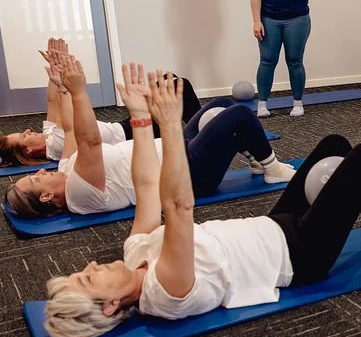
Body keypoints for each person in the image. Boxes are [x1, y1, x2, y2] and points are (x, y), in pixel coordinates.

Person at [42, 70, 361, 337]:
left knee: (333, 144)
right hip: (300, 256)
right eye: (89, 279)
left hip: (273, 226)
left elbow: (147, 187)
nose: (91, 266)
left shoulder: (135, 254)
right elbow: (177, 206)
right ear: (111, 306)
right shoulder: (166, 292)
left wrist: (143, 120)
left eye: (83, 271)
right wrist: (173, 128)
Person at [4, 56, 294, 218]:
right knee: (240, 115)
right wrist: (80, 92)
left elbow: (70, 132)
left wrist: (63, 88)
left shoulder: (67, 171)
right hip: (185, 175)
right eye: (35, 179)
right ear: (45, 196)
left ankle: (257, 160)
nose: (40, 171)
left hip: (175, 149)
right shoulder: (79, 194)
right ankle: (272, 170)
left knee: (219, 106)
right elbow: (88, 141)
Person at [0, 38, 201, 166]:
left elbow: (52, 101)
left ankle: (196, 126)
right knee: (179, 86)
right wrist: (63, 83)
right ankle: (202, 133)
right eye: (23, 136)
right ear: (28, 150)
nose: (27, 130)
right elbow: (67, 110)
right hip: (134, 134)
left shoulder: (48, 134)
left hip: (122, 125)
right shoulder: (58, 145)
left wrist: (54, 67)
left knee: (167, 79)